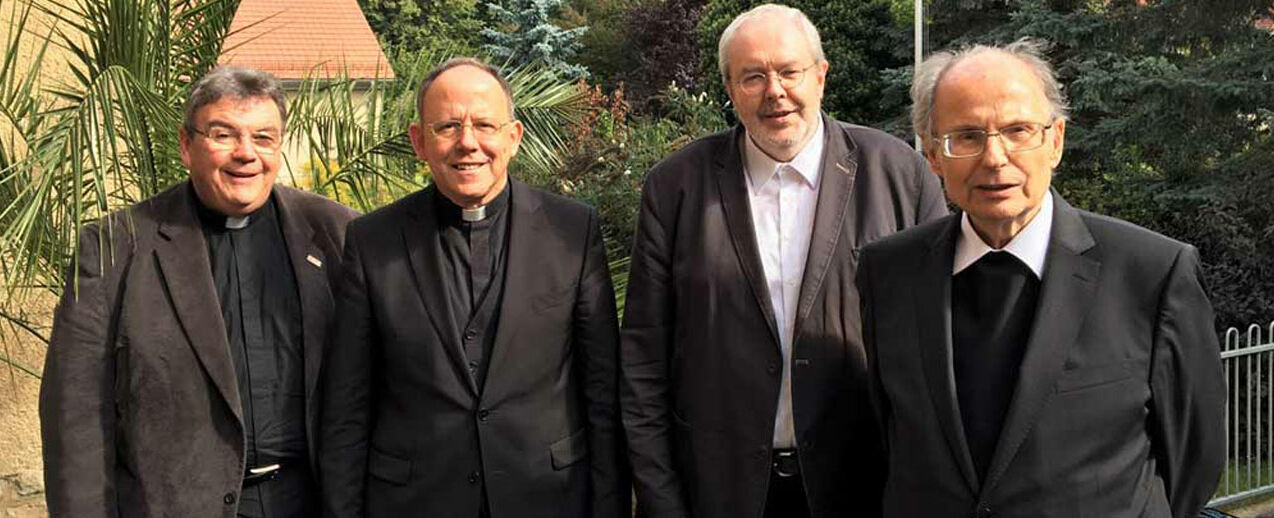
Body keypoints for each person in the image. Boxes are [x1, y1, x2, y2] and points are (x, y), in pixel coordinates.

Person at [858, 39, 1225, 517]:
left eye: (1018, 130)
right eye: (966, 136)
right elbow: (887, 438)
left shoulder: (1153, 273)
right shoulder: (888, 271)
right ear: (931, 156)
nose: (995, 158)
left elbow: (1194, 461)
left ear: (1056, 141)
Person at [620, 4, 947, 517]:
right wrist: (661, 500)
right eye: (753, 76)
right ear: (730, 89)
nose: (775, 91)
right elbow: (643, 360)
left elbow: (939, 353)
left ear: (820, 76)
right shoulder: (675, 187)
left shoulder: (899, 176)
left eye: (789, 71)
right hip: (718, 490)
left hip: (863, 487)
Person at [39, 65, 359, 517]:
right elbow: (75, 413)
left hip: (314, 501)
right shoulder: (117, 244)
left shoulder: (336, 231)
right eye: (223, 135)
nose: (246, 154)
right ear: (187, 146)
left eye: (263, 138)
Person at [318, 58, 629, 518]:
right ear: (419, 141)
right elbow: (347, 405)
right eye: (447, 126)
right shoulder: (371, 241)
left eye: (484, 124)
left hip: (549, 498)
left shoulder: (573, 231)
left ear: (514, 137)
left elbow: (602, 393)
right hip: (414, 503)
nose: (468, 143)